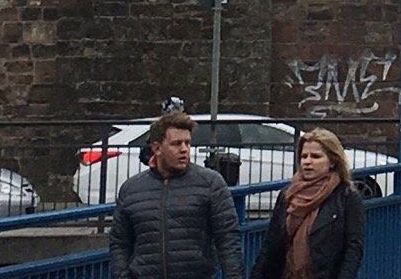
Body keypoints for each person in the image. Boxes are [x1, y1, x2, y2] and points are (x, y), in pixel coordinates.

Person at [110, 111, 244, 279]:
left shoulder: (210, 183)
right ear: (157, 148)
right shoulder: (131, 189)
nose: (184, 149)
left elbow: (228, 239)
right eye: (176, 143)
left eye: (187, 143)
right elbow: (120, 243)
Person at [250, 129, 363, 279]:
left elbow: (353, 248)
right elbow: (271, 244)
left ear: (333, 161)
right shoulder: (288, 194)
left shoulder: (346, 196)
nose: (307, 162)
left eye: (316, 156)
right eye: (304, 156)